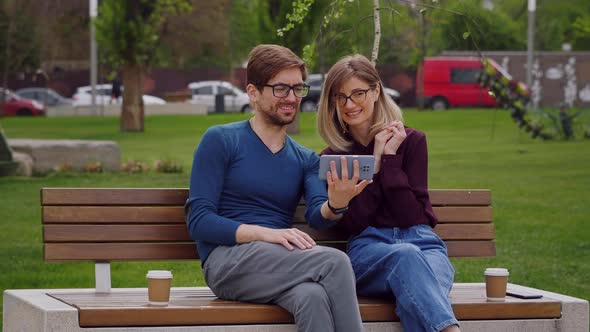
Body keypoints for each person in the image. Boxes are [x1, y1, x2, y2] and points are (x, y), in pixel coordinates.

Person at [185, 45, 370, 332]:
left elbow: (317, 216)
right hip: (227, 262)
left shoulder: (306, 159)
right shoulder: (221, 140)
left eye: (298, 88)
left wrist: (336, 203)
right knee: (334, 263)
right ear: (253, 92)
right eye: (281, 88)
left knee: (312, 296)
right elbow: (198, 221)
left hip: (278, 264)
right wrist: (263, 233)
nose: (291, 98)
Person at [317, 54, 461, 332]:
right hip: (369, 250)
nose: (349, 104)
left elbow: (412, 216)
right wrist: (377, 161)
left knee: (416, 289)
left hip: (423, 243)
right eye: (340, 97)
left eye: (358, 93)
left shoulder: (413, 141)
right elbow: (355, 222)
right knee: (409, 262)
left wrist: (392, 158)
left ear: (376, 91)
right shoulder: (334, 157)